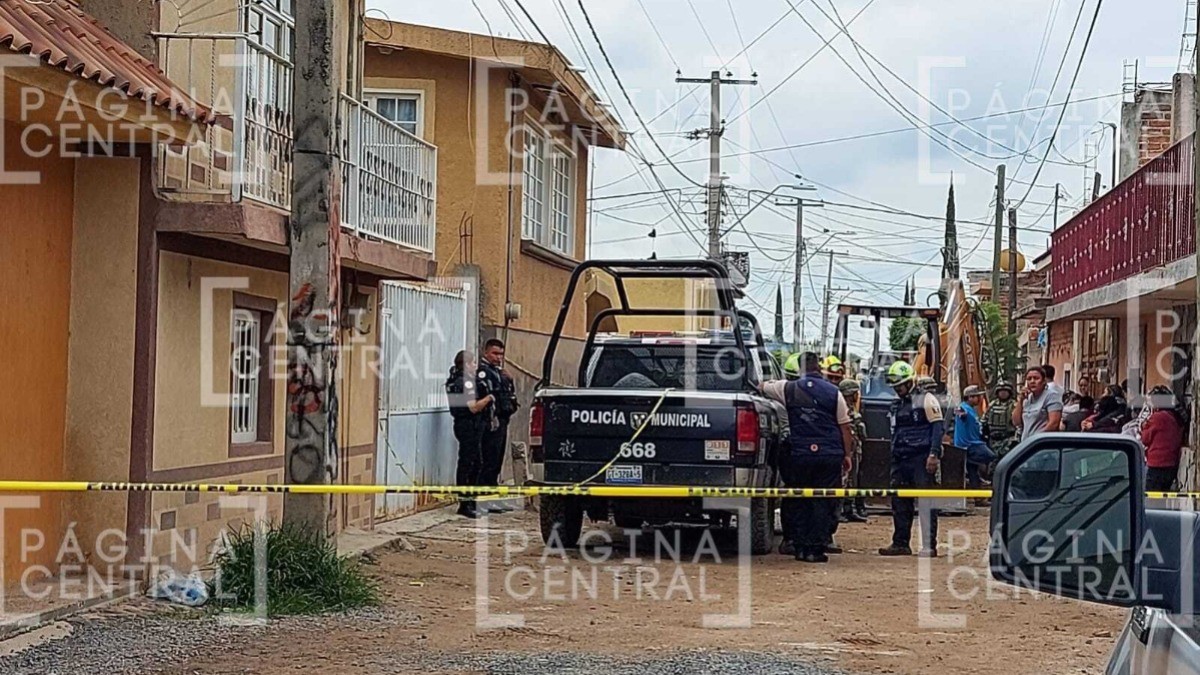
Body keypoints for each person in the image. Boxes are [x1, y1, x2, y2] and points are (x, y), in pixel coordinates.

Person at [759, 352, 854, 563]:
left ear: (800, 369)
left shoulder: (788, 388)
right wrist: (846, 455)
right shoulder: (834, 392)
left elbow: (760, 387)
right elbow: (844, 426)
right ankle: (816, 549)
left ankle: (799, 547)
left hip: (799, 455)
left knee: (799, 499)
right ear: (818, 368)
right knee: (822, 501)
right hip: (828, 455)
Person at [879, 361, 944, 558]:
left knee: (926, 504)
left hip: (921, 458)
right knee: (899, 503)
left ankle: (928, 545)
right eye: (895, 387)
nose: (897, 390)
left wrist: (934, 454)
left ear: (909, 382)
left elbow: (937, 427)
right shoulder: (897, 404)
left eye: (900, 386)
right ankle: (900, 543)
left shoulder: (926, 399)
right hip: (901, 457)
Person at [446, 350, 495, 518]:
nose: (475, 366)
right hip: (469, 425)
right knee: (470, 464)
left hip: (464, 424)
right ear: (467, 365)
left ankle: (470, 501)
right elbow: (473, 407)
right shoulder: (465, 383)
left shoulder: (454, 380)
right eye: (473, 363)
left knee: (473, 462)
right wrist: (489, 398)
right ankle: (465, 503)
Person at [478, 339, 519, 513]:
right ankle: (484, 499)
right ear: (486, 353)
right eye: (495, 353)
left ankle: (492, 498)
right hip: (490, 423)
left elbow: (508, 394)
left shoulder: (499, 373)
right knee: (488, 461)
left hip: (502, 420)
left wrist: (510, 380)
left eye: (501, 354)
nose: (498, 357)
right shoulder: (482, 373)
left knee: (497, 461)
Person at [777, 353, 803, 556]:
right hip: (800, 448)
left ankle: (792, 539)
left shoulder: (779, 389)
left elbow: (760, 386)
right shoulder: (814, 392)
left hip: (790, 448)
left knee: (793, 494)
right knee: (804, 495)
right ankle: (799, 539)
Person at [1141, 386, 1184, 491]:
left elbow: (1145, 439)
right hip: (1171, 463)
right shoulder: (1173, 417)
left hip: (1157, 463)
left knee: (1151, 496)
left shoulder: (1157, 418)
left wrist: (1143, 426)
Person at [955, 385, 996, 491]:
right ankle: (983, 477)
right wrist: (961, 413)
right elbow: (959, 412)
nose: (980, 399)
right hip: (970, 444)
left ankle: (977, 494)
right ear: (970, 397)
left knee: (973, 469)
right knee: (992, 457)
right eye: (977, 396)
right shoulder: (963, 407)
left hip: (975, 442)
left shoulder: (973, 410)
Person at [839, 378, 869, 523]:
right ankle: (841, 510)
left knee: (854, 480)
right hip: (847, 450)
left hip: (855, 448)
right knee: (845, 480)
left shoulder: (851, 408)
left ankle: (849, 509)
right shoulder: (842, 408)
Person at [1012, 366, 1063, 441]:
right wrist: (1021, 400)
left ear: (1044, 381)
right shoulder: (1027, 398)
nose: (1032, 381)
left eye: (1036, 378)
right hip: (1026, 443)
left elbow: (1054, 423)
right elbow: (1016, 422)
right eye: (1029, 379)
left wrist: (1036, 439)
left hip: (1041, 444)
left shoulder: (1051, 396)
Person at [986, 382, 1018, 455]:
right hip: (993, 439)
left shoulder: (1014, 405)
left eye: (1005, 391)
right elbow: (984, 419)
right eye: (1001, 391)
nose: (1003, 393)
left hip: (1008, 439)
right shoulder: (992, 404)